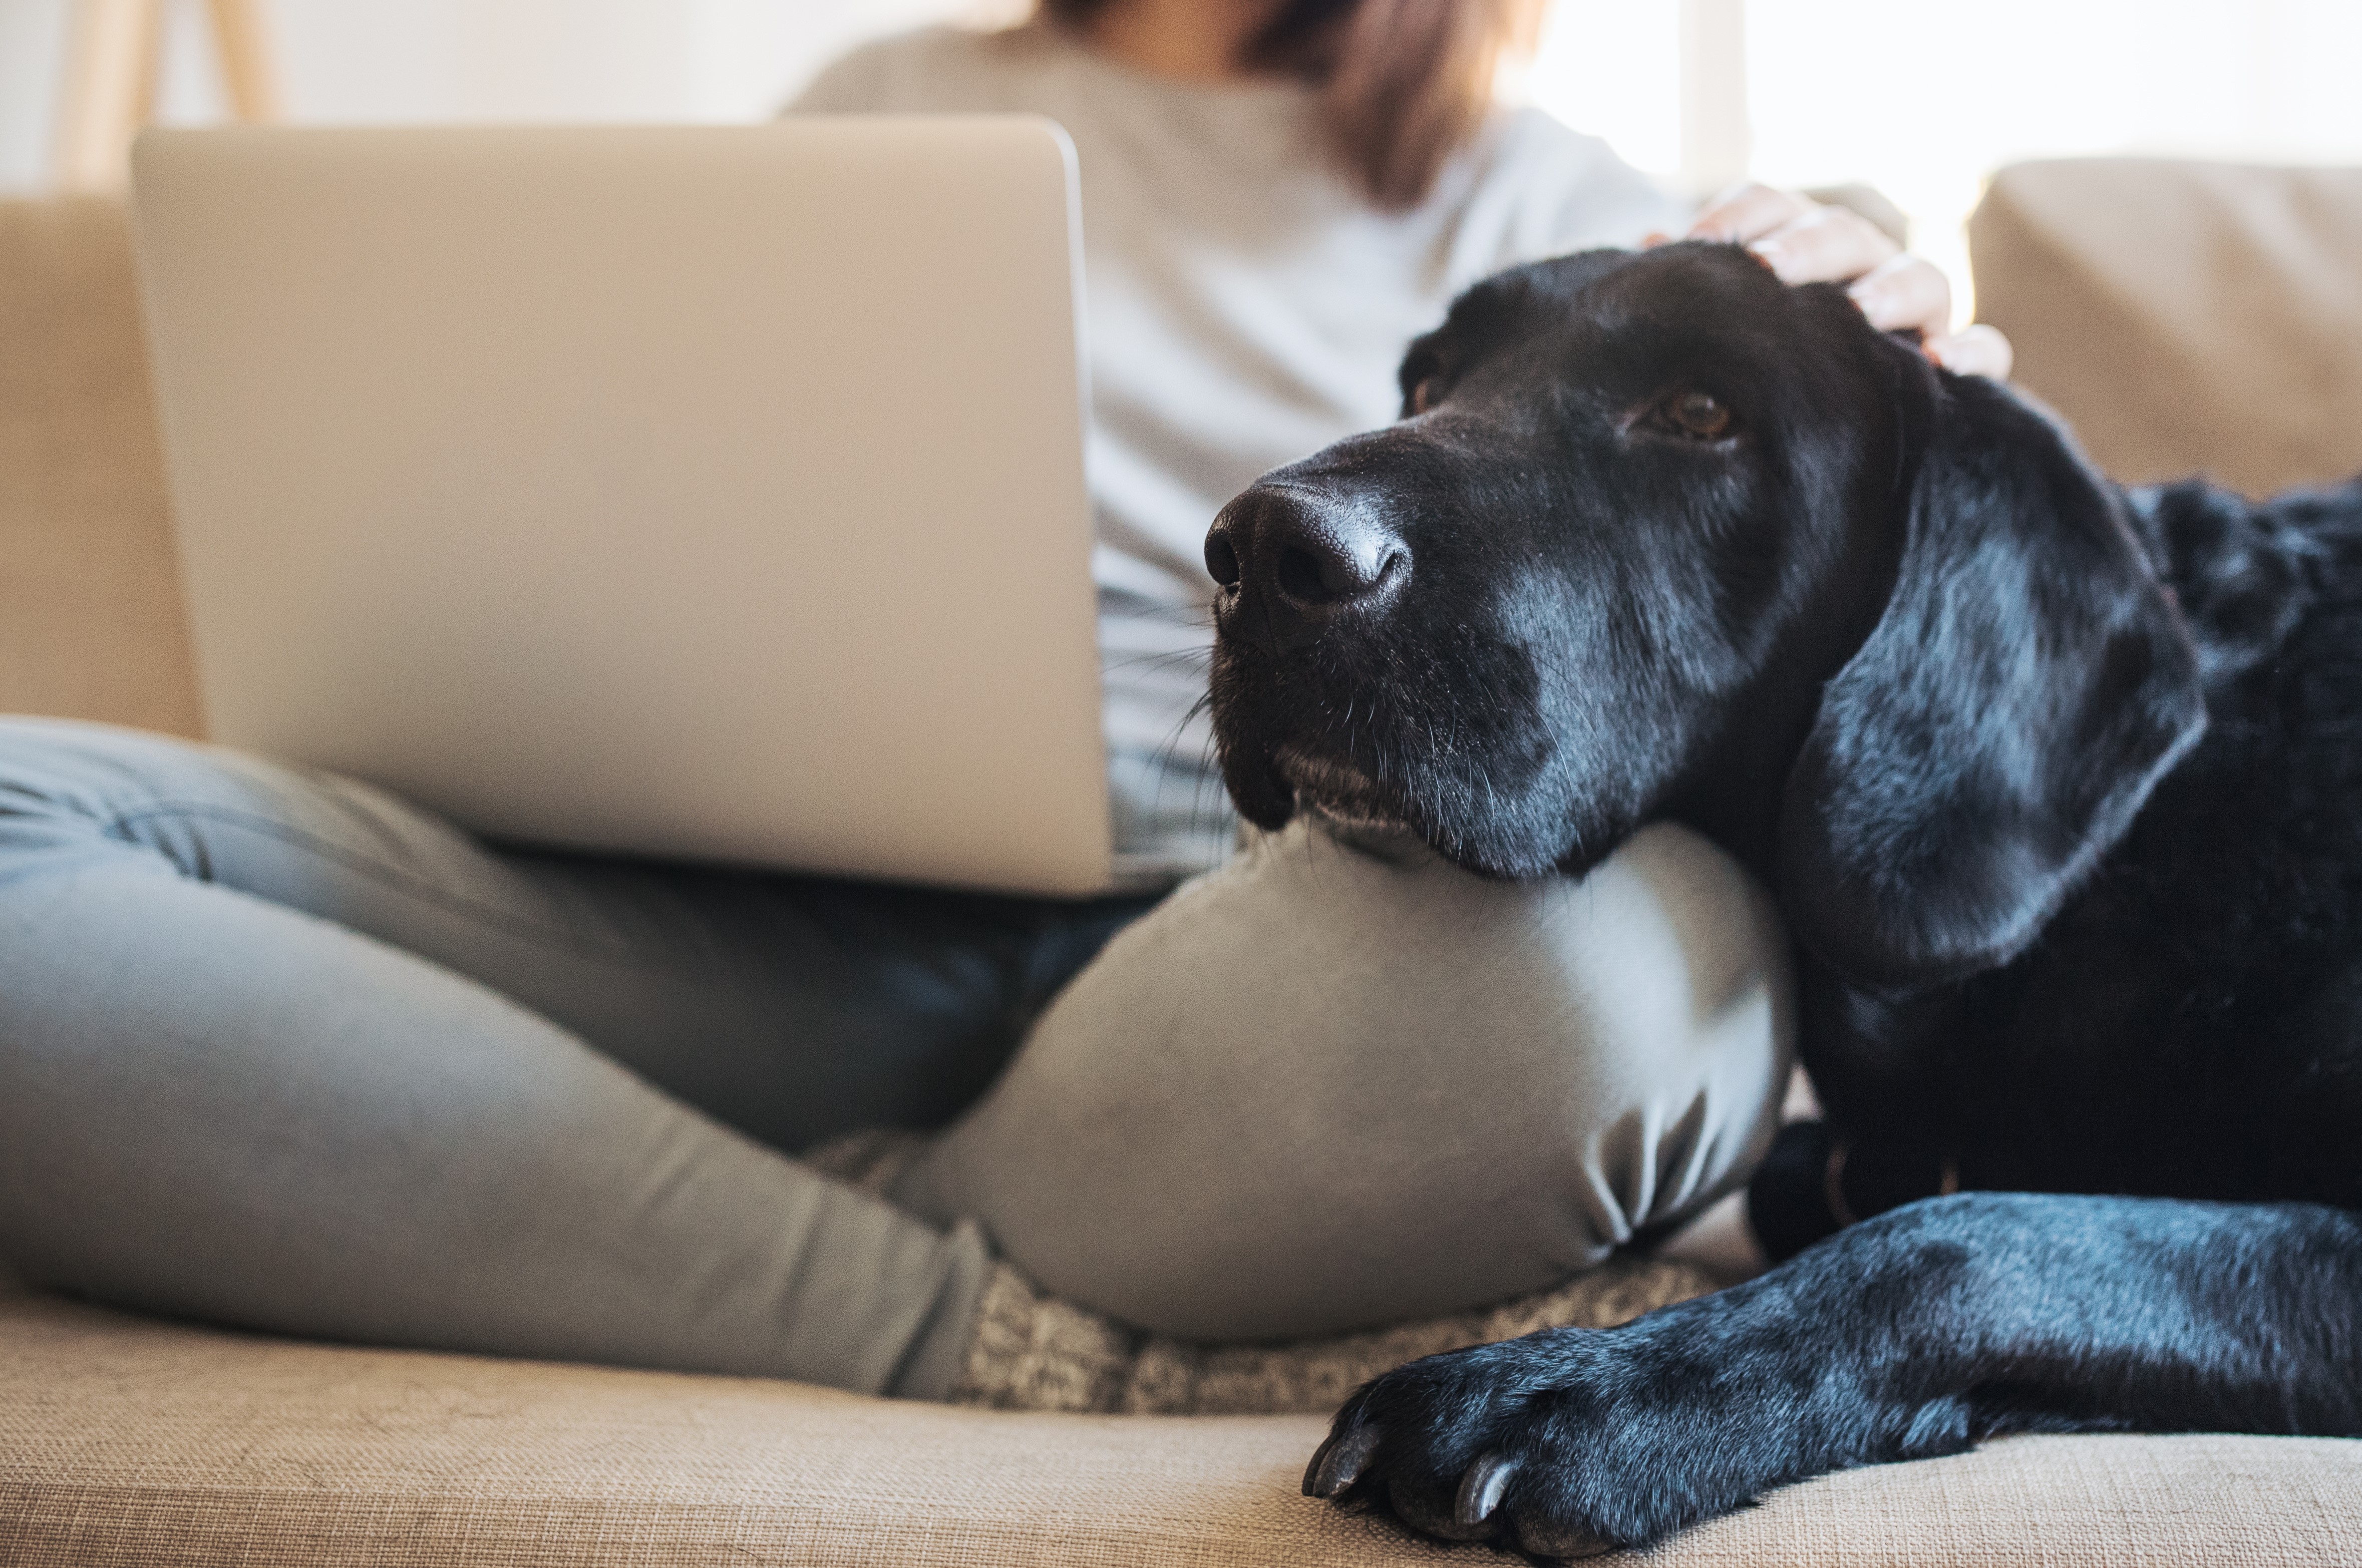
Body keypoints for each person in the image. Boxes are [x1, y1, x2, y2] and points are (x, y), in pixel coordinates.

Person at [0, 0, 2007, 1400]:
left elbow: (1789, 555)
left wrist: (1900, 331)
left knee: (1635, 982)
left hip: (1259, 961)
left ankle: (579, 1193)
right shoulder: (870, 102)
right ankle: (982, 1327)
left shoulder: (1546, 201)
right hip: (763, 901)